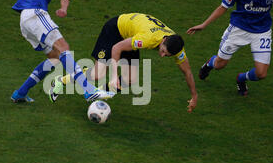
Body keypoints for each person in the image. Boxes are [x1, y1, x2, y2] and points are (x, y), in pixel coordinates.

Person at [50, 13, 198, 112]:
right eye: (163, 50)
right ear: (164, 40)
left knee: (129, 80)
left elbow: (187, 71)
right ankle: (60, 81)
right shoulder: (148, 39)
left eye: (166, 55)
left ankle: (99, 91)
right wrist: (114, 76)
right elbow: (117, 48)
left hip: (130, 36)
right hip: (114, 31)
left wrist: (194, 95)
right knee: (97, 74)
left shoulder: (177, 47)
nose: (161, 55)